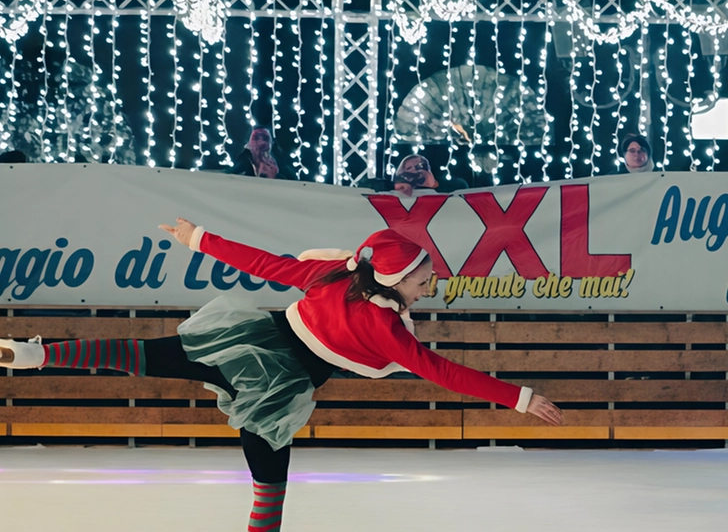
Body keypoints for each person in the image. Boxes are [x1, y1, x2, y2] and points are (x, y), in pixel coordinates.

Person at [1, 218, 562, 530]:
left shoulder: (337, 274)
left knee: (148, 356)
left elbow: (265, 264)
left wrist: (199, 238)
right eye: (422, 282)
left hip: (243, 339)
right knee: (268, 471)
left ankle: (36, 355)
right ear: (393, 283)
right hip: (279, 383)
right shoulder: (387, 330)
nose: (429, 289)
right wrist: (519, 397)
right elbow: (442, 371)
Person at [228, 126, 295, 180]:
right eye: (256, 138)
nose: (261, 143)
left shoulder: (279, 162)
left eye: (265, 138)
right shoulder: (245, 160)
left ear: (271, 143)